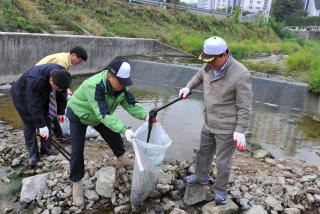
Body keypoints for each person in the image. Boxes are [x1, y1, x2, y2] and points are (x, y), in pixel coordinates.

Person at [179, 36, 252, 205]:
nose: (209, 64)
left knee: (222, 161)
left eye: (212, 61)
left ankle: (220, 190)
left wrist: (240, 129)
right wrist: (188, 87)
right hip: (209, 120)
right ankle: (200, 176)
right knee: (203, 152)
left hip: (227, 127)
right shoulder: (209, 65)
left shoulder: (241, 74)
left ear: (223, 55)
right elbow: (198, 76)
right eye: (208, 61)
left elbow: (245, 106)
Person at [66, 57, 148, 207]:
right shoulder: (94, 85)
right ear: (110, 75)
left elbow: (131, 104)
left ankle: (121, 158)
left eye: (125, 82)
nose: (123, 86)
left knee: (114, 135)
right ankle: (76, 182)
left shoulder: (121, 87)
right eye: (120, 82)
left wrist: (146, 116)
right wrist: (125, 129)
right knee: (77, 149)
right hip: (79, 114)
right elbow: (103, 115)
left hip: (98, 116)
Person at [11, 64, 72, 168]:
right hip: (22, 95)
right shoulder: (36, 80)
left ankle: (46, 148)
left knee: (47, 118)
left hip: (43, 92)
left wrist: (60, 112)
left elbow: (62, 94)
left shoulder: (61, 75)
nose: (58, 90)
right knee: (30, 123)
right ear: (51, 80)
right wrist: (40, 125)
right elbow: (33, 105)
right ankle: (33, 154)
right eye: (57, 88)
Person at [36, 46, 88, 143]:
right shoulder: (62, 62)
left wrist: (67, 90)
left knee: (53, 109)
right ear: (73, 55)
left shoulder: (66, 59)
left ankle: (58, 135)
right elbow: (59, 80)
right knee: (49, 108)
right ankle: (50, 134)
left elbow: (61, 80)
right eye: (80, 60)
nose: (80, 63)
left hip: (46, 82)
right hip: (41, 82)